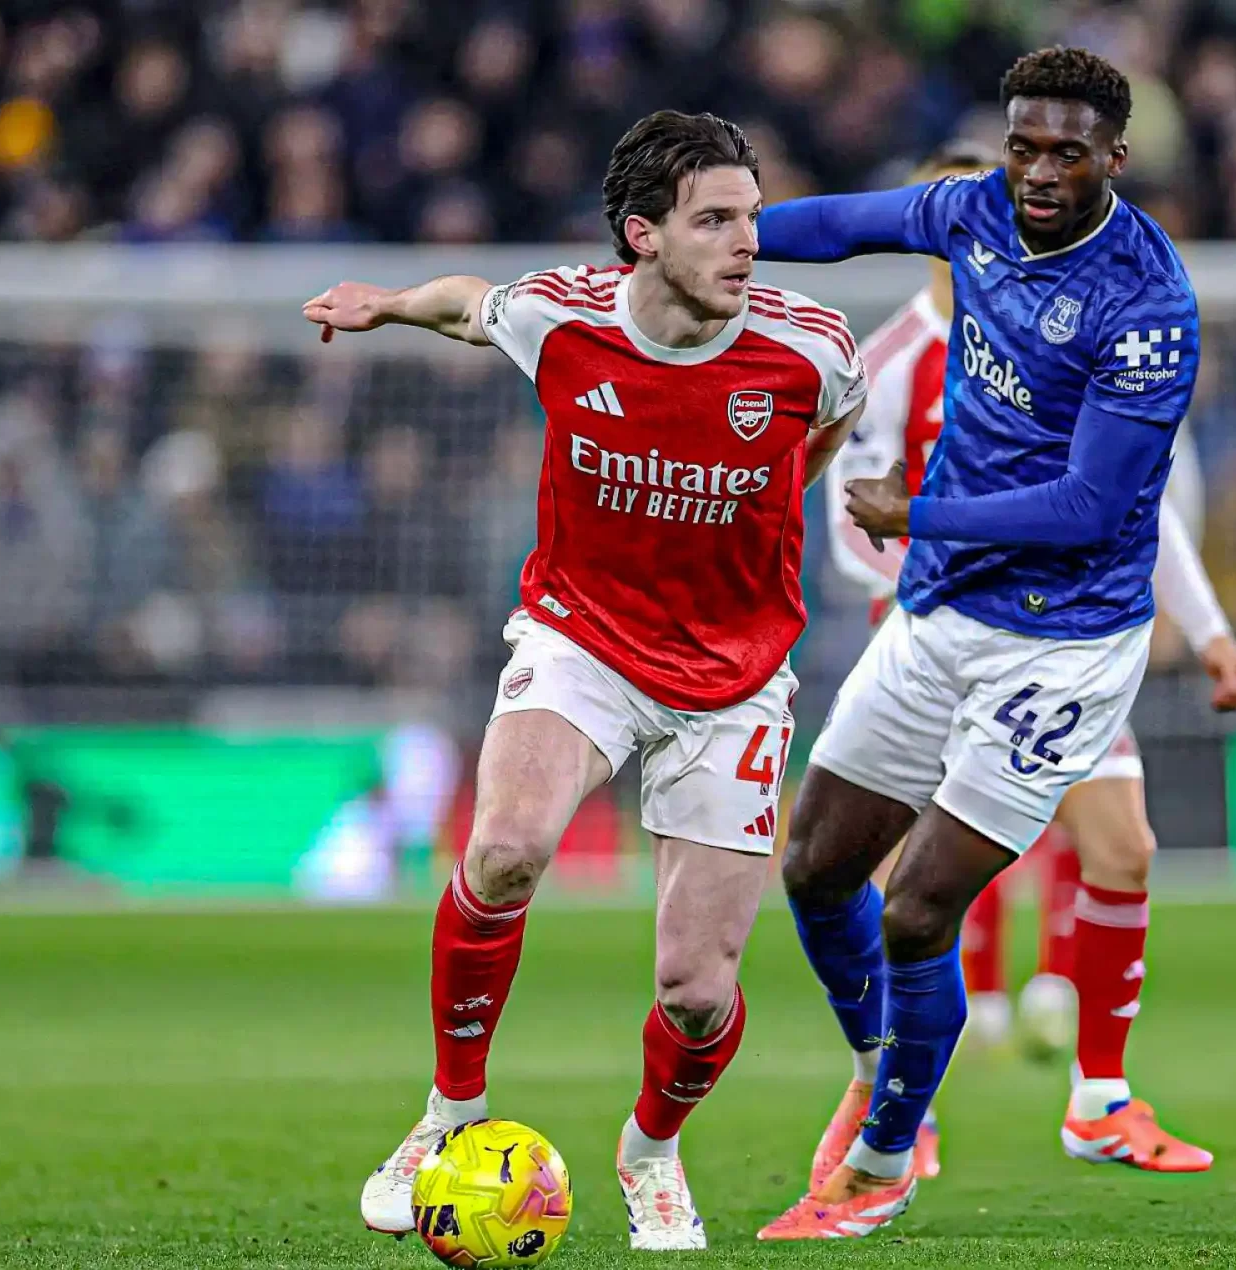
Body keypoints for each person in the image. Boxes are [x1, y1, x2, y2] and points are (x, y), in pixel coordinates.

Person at [304, 109, 867, 1252]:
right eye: (715, 221)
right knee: (504, 848)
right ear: (642, 234)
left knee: (696, 992)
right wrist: (386, 304)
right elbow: (467, 304)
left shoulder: (810, 348)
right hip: (584, 640)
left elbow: (823, 437)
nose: (746, 243)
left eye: (751, 218)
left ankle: (650, 1149)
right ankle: (446, 1114)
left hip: (734, 676)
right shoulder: (563, 317)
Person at [750, 46, 1204, 1239]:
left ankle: (887, 1160)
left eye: (1066, 153)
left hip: (1061, 641)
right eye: (1022, 147)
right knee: (814, 867)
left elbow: (1091, 508)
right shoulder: (973, 212)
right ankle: (878, 1073)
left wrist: (918, 513)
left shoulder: (1145, 305)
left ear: (1115, 157)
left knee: (917, 906)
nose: (1038, 172)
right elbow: (842, 225)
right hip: (939, 609)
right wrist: (722, 239)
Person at [830, 144, 1236, 1133]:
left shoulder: (1063, 339)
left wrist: (1209, 631)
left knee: (1122, 846)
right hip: (941, 647)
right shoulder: (889, 362)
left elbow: (1134, 503)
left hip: (1063, 643)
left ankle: (1099, 1094)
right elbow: (850, 520)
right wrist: (925, 594)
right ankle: (903, 1104)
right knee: (915, 875)